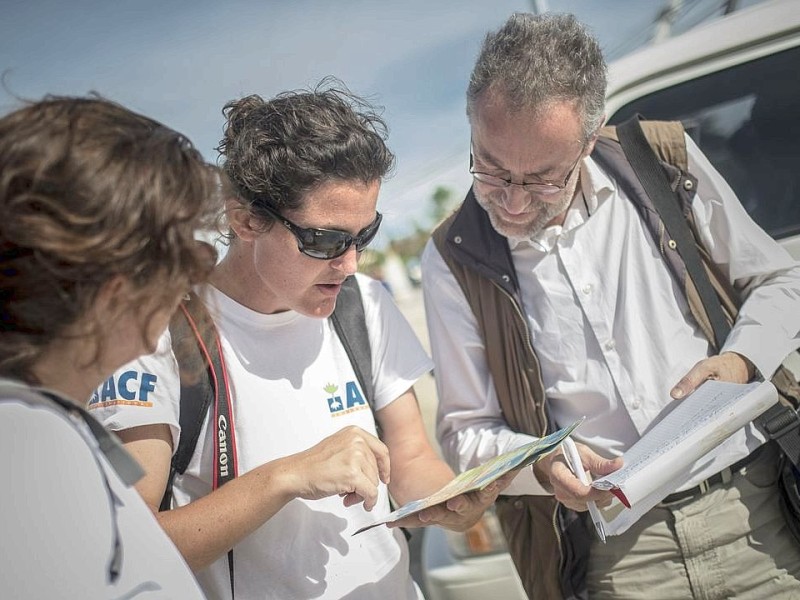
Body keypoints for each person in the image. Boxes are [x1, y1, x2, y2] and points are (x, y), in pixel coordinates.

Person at [421, 12, 800, 600]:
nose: (514, 204)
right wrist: (541, 465)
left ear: (590, 136)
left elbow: (780, 282)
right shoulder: (452, 255)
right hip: (621, 554)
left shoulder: (663, 162)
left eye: (543, 179)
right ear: (473, 127)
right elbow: (466, 430)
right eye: (491, 171)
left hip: (754, 509)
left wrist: (741, 361)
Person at [90, 82, 508, 600]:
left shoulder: (365, 305)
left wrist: (446, 499)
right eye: (326, 240)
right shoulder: (158, 337)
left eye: (364, 235)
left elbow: (410, 455)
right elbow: (130, 548)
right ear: (244, 220)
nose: (350, 262)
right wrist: (285, 477)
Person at [0, 95, 220, 598]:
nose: (197, 268)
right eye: (184, 249)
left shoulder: (40, 426)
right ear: (117, 291)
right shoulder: (29, 451)